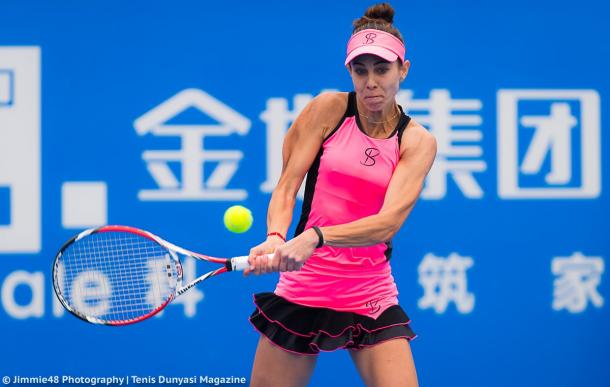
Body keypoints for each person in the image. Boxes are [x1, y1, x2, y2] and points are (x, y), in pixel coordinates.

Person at [244, 3, 436, 386]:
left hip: (370, 291)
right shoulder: (327, 110)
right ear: (349, 70)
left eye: (382, 69)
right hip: (304, 285)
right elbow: (286, 187)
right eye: (360, 70)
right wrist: (275, 238)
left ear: (404, 70)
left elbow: (386, 224)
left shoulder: (416, 141)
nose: (371, 82)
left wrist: (315, 238)